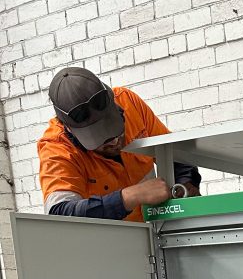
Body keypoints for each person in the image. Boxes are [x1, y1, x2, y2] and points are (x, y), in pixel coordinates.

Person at [38, 67, 201, 222]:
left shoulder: (129, 102)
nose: (115, 142)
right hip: (112, 239)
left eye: (117, 131)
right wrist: (130, 196)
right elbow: (59, 216)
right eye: (102, 141)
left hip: (157, 229)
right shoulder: (57, 149)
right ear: (70, 129)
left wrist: (185, 185)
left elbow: (174, 153)